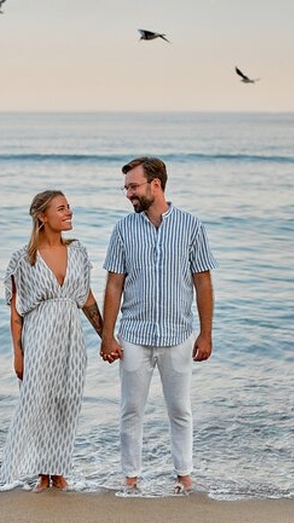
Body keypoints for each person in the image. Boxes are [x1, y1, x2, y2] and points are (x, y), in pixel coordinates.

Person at [100, 156, 217, 495]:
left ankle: (184, 475)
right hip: (134, 335)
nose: (128, 194)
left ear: (156, 185)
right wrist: (108, 336)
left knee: (180, 409)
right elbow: (113, 285)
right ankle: (131, 478)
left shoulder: (191, 226)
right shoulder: (123, 228)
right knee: (130, 409)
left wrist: (205, 333)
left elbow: (203, 282)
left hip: (178, 335)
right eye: (125, 188)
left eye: (133, 187)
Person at [0, 190, 104, 492]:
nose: (69, 212)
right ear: (42, 217)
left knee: (68, 401)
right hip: (38, 335)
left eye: (69, 207)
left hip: (71, 335)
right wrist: (18, 354)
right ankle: (36, 474)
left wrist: (106, 337)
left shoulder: (78, 252)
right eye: (61, 208)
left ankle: (58, 472)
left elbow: (86, 298)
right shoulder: (23, 259)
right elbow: (16, 313)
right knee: (36, 403)